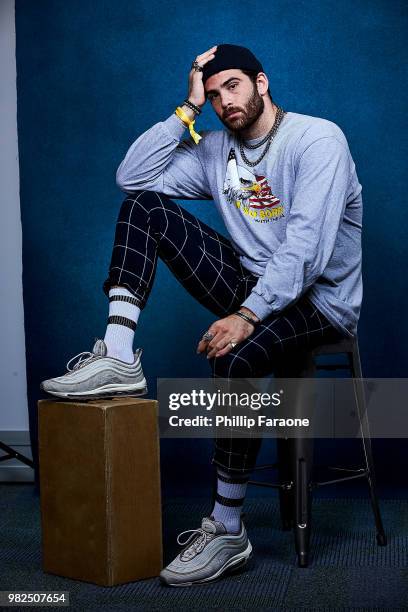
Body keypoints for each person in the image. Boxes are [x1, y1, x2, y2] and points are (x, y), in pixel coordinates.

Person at [40, 44, 363, 586]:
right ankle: (119, 354)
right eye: (213, 95)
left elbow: (306, 249)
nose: (224, 101)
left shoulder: (318, 139)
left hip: (320, 300)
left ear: (261, 83)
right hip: (252, 286)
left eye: (232, 86)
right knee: (144, 210)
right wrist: (184, 110)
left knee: (233, 353)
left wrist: (246, 313)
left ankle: (228, 526)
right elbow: (133, 179)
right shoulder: (215, 149)